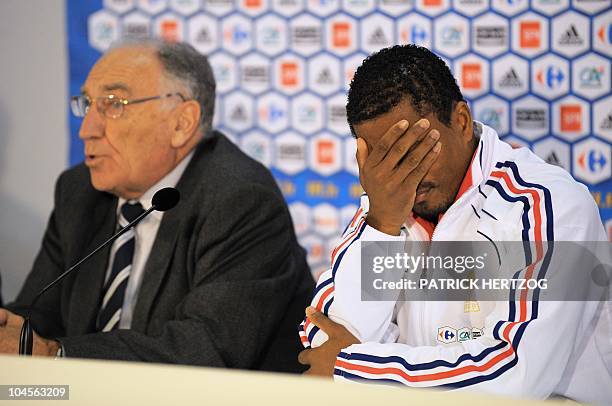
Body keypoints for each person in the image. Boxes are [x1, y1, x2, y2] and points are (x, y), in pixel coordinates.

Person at [297, 44, 612, 403]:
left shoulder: (546, 205)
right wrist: (381, 224)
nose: (405, 176)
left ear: (460, 122)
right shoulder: (385, 205)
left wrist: (352, 369)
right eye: (385, 160)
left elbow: (513, 373)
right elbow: (323, 335)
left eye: (414, 151)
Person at [0, 39, 314, 372]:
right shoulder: (78, 191)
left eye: (113, 104)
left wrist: (56, 354)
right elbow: (38, 317)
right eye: (87, 104)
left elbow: (205, 349)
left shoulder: (241, 200)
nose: (87, 130)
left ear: (182, 122)